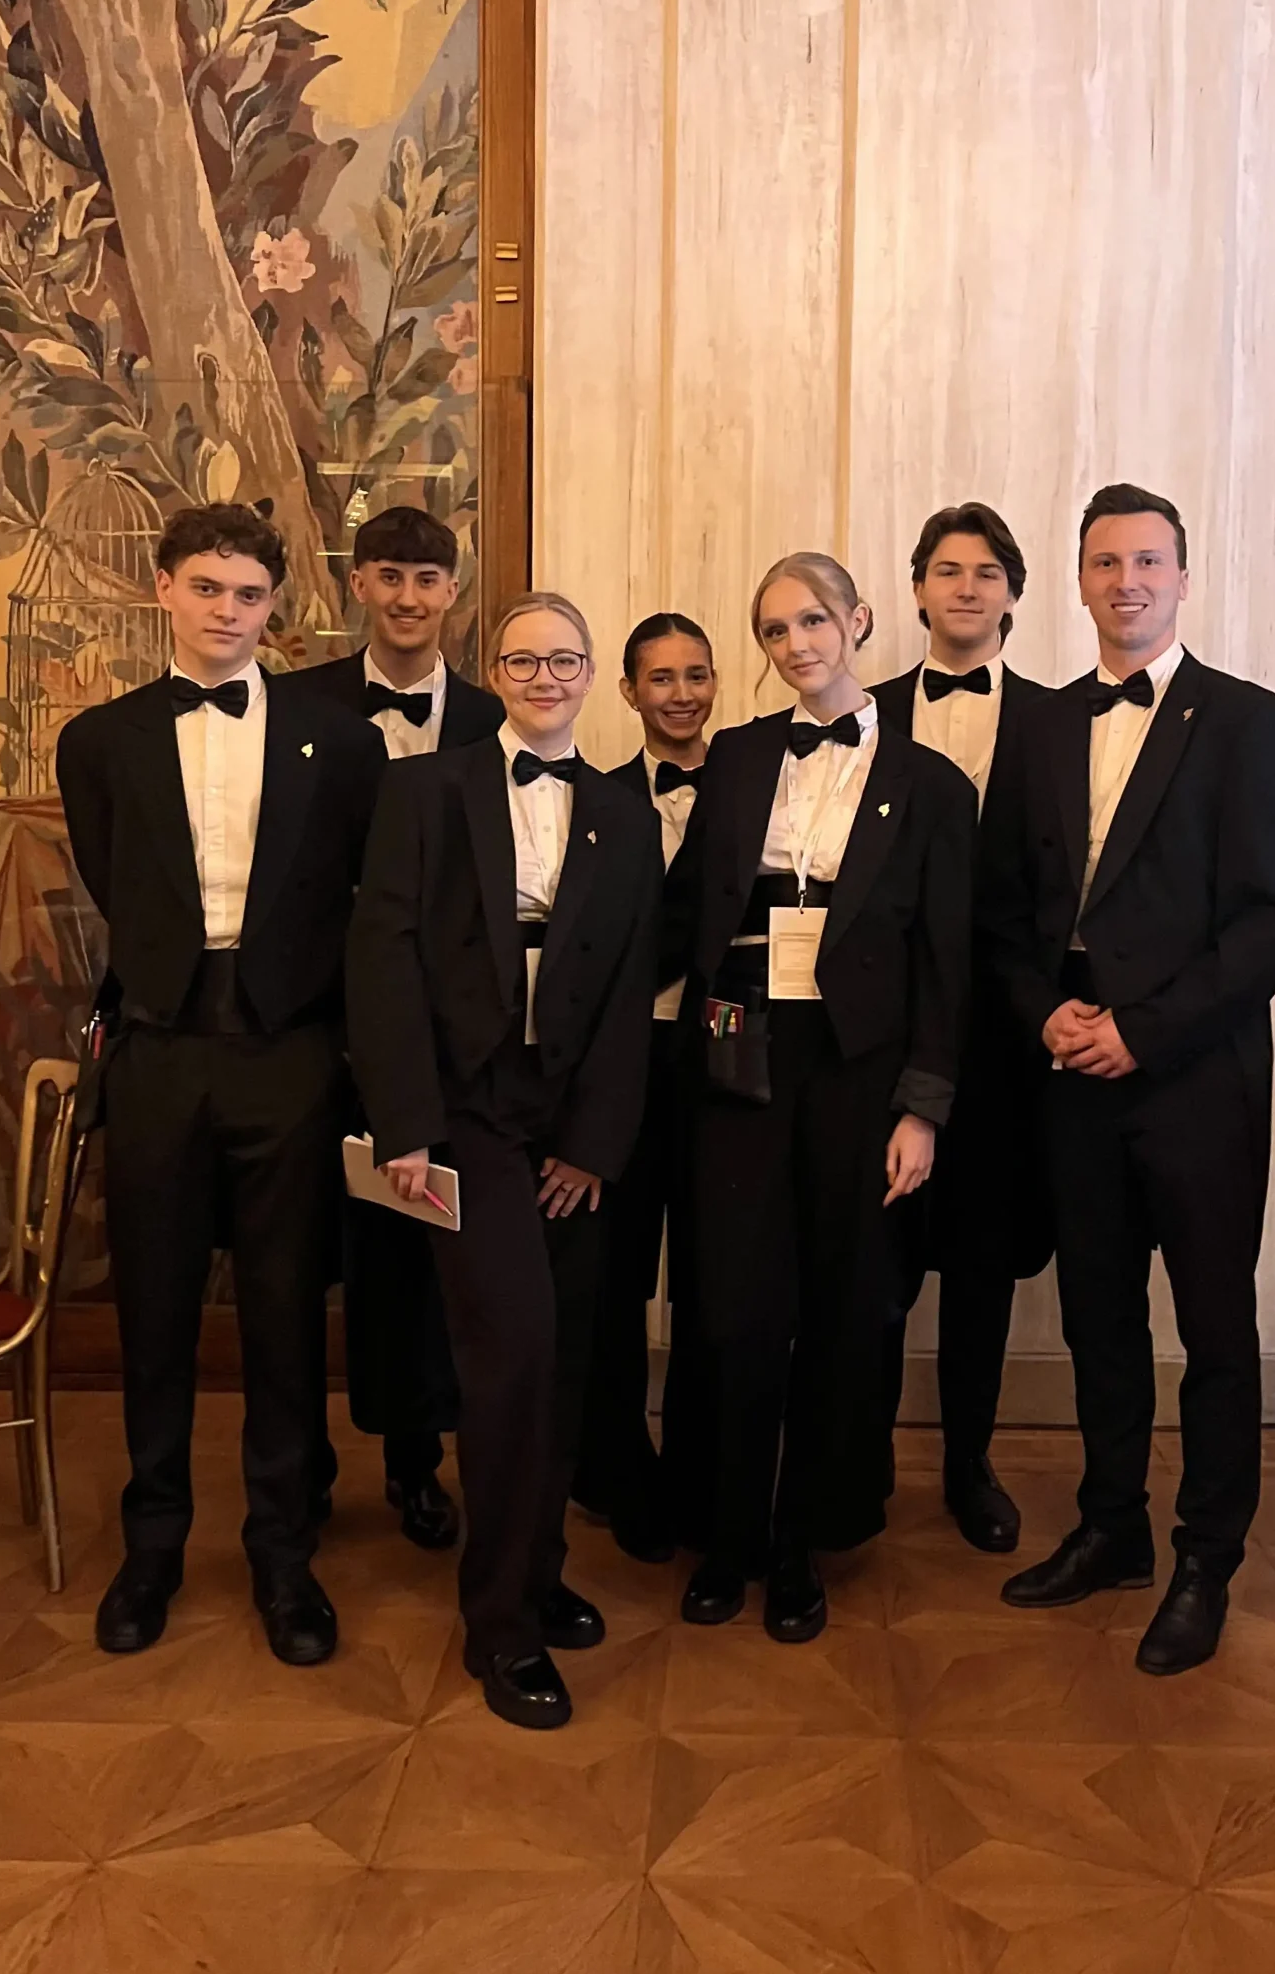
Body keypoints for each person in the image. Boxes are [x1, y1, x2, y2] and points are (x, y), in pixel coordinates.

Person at [979, 483, 1275, 1674]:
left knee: (1215, 1326)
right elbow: (1003, 910)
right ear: (1078, 580)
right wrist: (1048, 1014)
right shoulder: (1039, 724)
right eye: (1105, 562)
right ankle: (1112, 1525)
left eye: (1147, 561)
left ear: (1183, 576)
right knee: (1099, 1316)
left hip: (1195, 1071)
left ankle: (1206, 1559)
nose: (1126, 581)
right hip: (1072, 1060)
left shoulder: (1251, 721)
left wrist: (1145, 1030)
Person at [56, 502, 386, 1666]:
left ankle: (284, 1557)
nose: (227, 612)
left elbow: (355, 894)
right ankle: (152, 1548)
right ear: (164, 589)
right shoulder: (98, 742)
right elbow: (115, 880)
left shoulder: (341, 741)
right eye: (207, 587)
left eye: (249, 594)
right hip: (158, 1047)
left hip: (290, 1051)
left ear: (275, 605)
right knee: (153, 1310)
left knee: (286, 1313)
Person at [346, 592, 661, 1729]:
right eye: (523, 661)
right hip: (465, 1111)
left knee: (565, 1357)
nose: (544, 677)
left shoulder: (625, 814)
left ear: (590, 674)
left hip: (566, 1118)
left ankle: (539, 1568)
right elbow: (381, 958)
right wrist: (406, 1126)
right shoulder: (425, 790)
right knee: (513, 1357)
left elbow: (629, 988)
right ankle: (501, 1625)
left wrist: (594, 1144)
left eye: (564, 660)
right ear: (497, 672)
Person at [664, 552, 974, 1642]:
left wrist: (922, 1107)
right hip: (740, 1051)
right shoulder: (740, 756)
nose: (795, 645)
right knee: (731, 1306)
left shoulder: (933, 785)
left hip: (861, 1071)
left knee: (846, 1309)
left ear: (859, 621)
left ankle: (803, 1543)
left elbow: (947, 961)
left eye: (812, 621)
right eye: (774, 630)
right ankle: (727, 1535)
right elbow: (686, 908)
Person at [304, 504, 502, 1551]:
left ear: (452, 593)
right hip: (315, 1023)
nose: (409, 598)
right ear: (359, 584)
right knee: (313, 1254)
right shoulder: (299, 706)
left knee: (422, 1249)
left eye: (428, 579)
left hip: (446, 1033)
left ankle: (415, 1465)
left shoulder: (494, 717)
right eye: (390, 576)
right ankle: (303, 1467)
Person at [874, 503, 1052, 1553]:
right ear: (917, 589)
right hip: (883, 1033)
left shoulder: (1060, 720)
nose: (968, 587)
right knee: (878, 1255)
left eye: (987, 572)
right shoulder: (864, 712)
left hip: (1003, 1040)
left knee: (982, 1263)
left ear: (1013, 593)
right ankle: (858, 1458)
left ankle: (968, 1464)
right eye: (948, 569)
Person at [572, 612, 719, 1562]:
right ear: (627, 691)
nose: (681, 694)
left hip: (720, 1065)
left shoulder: (754, 791)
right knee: (613, 1279)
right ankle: (614, 1470)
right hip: (622, 1067)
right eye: (660, 678)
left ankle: (701, 1473)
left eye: (696, 675)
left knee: (710, 1278)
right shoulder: (596, 799)